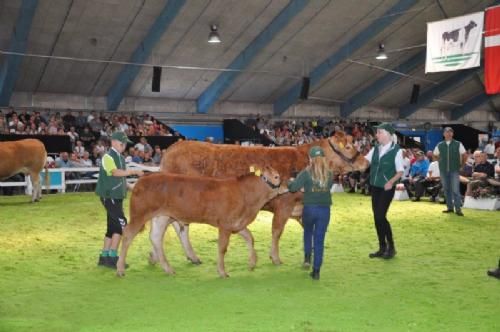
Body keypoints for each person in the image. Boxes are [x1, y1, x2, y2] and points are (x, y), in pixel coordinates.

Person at [95, 131, 144, 268]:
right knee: (121, 225)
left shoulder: (121, 158)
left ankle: (104, 256)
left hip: (116, 197)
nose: (125, 146)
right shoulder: (108, 157)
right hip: (109, 195)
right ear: (114, 143)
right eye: (123, 144)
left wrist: (132, 187)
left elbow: (121, 178)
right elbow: (115, 172)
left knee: (112, 228)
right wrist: (133, 172)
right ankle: (113, 256)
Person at [287, 146, 334, 280]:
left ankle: (307, 258)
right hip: (325, 210)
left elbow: (294, 187)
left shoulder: (306, 172)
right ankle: (316, 271)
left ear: (310, 158)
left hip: (309, 208)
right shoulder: (329, 173)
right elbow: (328, 187)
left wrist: (289, 182)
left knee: (308, 231)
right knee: (319, 240)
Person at [365, 123, 404, 259]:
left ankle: (391, 247)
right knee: (377, 218)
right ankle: (382, 248)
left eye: (379, 132)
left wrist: (391, 182)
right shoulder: (375, 148)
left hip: (387, 188)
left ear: (387, 134)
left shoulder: (397, 150)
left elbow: (400, 172)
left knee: (380, 216)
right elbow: (364, 162)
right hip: (375, 186)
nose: (377, 135)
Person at [433, 127, 467, 216]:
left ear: (452, 134)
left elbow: (464, 155)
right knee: (447, 190)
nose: (448, 133)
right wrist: (440, 160)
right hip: (443, 170)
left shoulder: (458, 144)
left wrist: (462, 166)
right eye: (446, 132)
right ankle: (450, 208)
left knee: (455, 190)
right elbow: (434, 155)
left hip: (454, 170)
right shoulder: (440, 144)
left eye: (450, 132)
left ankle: (458, 210)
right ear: (443, 134)